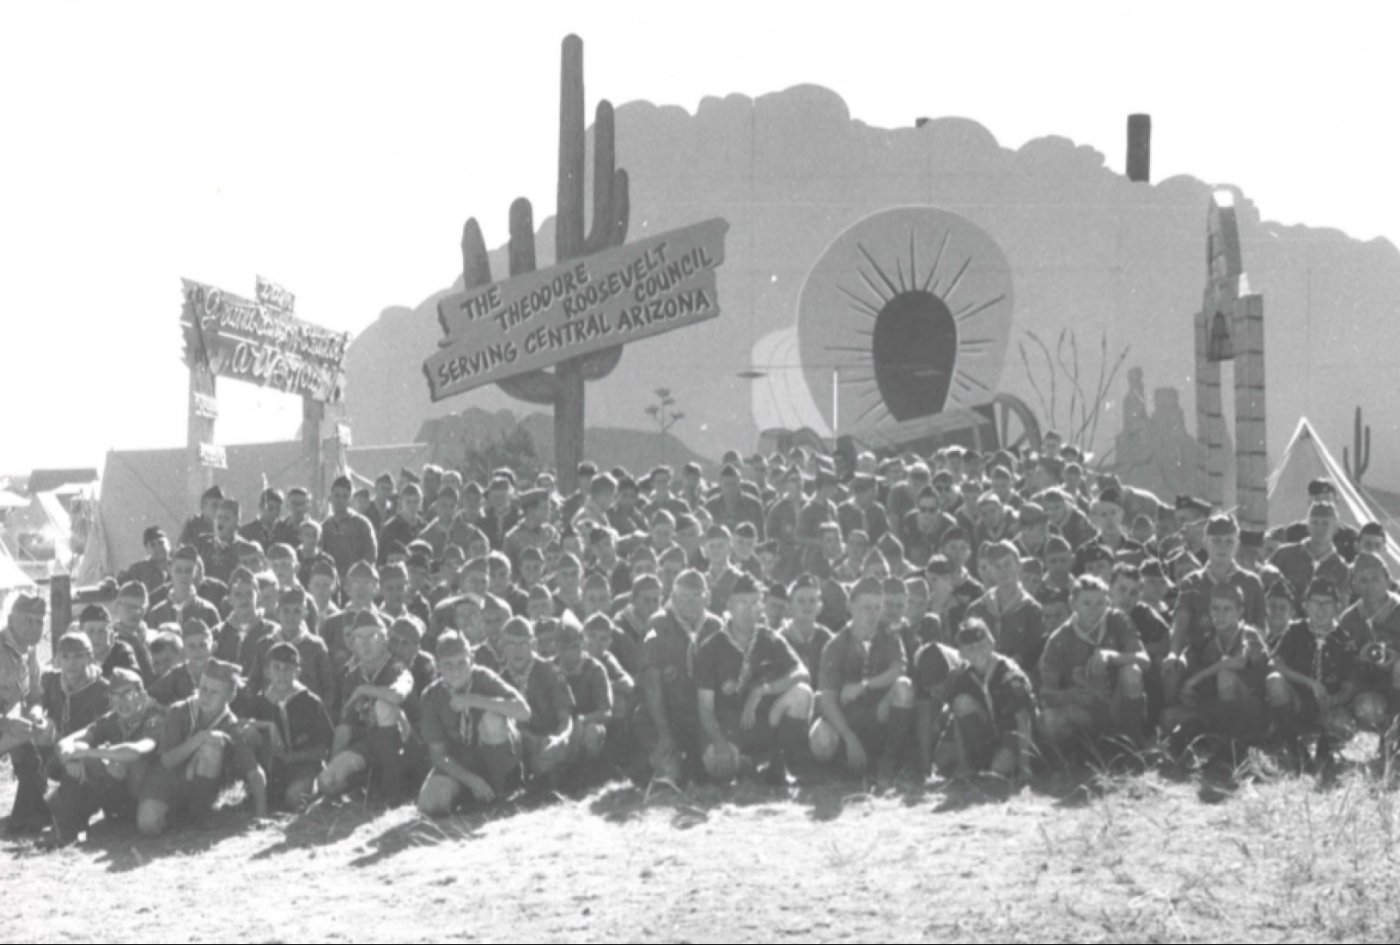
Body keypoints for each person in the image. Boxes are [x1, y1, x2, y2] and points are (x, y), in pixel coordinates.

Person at [694, 575, 812, 784]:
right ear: (729, 605)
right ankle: (748, 765)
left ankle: (777, 763)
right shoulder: (711, 647)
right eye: (742, 602)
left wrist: (762, 690)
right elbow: (705, 707)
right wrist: (719, 742)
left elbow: (802, 672)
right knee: (718, 766)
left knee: (802, 694)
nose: (749, 610)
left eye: (754, 603)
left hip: (763, 720)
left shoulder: (769, 638)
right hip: (727, 726)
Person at [137, 659, 267, 835]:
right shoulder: (179, 711)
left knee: (213, 745)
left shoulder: (231, 725)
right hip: (167, 782)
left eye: (214, 692)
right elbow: (167, 761)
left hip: (201, 792)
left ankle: (199, 815)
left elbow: (255, 773)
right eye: (203, 689)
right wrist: (200, 737)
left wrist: (262, 815)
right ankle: (177, 817)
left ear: (230, 697)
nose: (205, 696)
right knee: (148, 825)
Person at [809, 576, 914, 786]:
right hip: (844, 722)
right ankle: (832, 773)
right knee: (821, 738)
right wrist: (849, 738)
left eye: (877, 607)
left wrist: (864, 686)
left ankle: (888, 761)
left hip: (877, 717)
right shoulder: (836, 645)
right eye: (866, 607)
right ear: (851, 606)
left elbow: (899, 669)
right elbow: (827, 700)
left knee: (904, 688)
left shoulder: (889, 636)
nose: (873, 614)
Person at [48, 667, 168, 845]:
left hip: (151, 795)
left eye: (127, 694)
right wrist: (73, 758)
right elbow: (65, 743)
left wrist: (88, 752)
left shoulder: (156, 717)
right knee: (83, 765)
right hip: (122, 794)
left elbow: (137, 751)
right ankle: (67, 832)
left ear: (142, 695)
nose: (122, 702)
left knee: (118, 764)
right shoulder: (112, 719)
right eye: (115, 697)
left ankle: (72, 819)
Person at [415, 632, 531, 816]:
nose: (456, 671)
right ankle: (472, 794)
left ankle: (501, 790)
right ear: (437, 666)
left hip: (498, 756)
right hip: (462, 764)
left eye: (462, 662)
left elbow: (523, 711)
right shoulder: (431, 697)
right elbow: (438, 754)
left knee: (492, 720)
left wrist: (473, 700)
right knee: (430, 805)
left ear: (472, 659)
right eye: (448, 665)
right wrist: (471, 780)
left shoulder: (483, 678)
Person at [1037, 575, 1150, 751]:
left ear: (1108, 602)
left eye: (1100, 603)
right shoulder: (1059, 639)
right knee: (1050, 720)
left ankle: (1134, 743)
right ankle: (1080, 755)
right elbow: (1045, 693)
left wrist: (1112, 656)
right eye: (1086, 603)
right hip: (1085, 711)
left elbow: (1144, 660)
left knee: (1132, 672)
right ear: (1073, 604)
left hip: (1119, 704)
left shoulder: (1116, 620)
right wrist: (1071, 695)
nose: (1094, 610)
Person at [1161, 582, 1276, 749]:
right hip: (1222, 708)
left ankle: (1229, 747)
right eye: (1215, 608)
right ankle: (1205, 740)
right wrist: (1189, 691)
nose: (1220, 615)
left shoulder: (1248, 634)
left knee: (1226, 676)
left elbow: (1238, 661)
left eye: (1227, 609)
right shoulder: (1209, 640)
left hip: (1253, 711)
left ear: (1240, 612)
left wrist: (1197, 678)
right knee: (1168, 717)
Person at [318, 612, 412, 804]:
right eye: (358, 638)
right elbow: (345, 728)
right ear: (352, 645)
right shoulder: (352, 677)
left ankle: (392, 791)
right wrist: (335, 765)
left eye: (372, 636)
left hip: (404, 747)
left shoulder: (397, 668)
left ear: (385, 639)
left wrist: (363, 689)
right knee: (327, 782)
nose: (365, 643)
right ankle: (370, 785)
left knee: (384, 705)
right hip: (369, 747)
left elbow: (397, 695)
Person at [637, 569, 722, 783]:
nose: (691, 603)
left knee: (717, 768)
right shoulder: (656, 625)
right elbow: (651, 685)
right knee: (670, 776)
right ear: (673, 597)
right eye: (684, 597)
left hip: (703, 718)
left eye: (697, 596)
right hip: (667, 717)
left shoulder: (716, 626)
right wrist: (664, 734)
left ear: (707, 597)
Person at [940, 618, 1036, 783]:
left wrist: (1025, 768)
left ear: (992, 643)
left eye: (982, 646)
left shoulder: (1008, 672)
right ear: (961, 653)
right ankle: (972, 765)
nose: (977, 653)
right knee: (942, 760)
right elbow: (957, 720)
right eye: (970, 649)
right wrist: (962, 764)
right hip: (985, 733)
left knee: (999, 770)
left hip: (1013, 735)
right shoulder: (961, 676)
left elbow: (1023, 718)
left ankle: (1009, 764)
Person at [242, 642, 334, 810]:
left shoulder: (310, 701)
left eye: (288, 668)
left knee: (295, 799)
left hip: (305, 766)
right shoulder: (261, 701)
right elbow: (240, 724)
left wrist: (292, 757)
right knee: (249, 732)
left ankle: (316, 793)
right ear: (267, 672)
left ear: (297, 672)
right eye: (276, 668)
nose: (282, 674)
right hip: (274, 767)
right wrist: (269, 725)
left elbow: (322, 749)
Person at [962, 541, 1045, 683]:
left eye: (1008, 564)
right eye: (997, 566)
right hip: (979, 679)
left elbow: (1035, 656)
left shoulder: (1032, 610)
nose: (1003, 571)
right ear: (990, 571)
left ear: (1019, 567)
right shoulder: (977, 609)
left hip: (1017, 680)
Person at [321, 476, 377, 578]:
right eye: (337, 495)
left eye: (345, 496)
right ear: (330, 498)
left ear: (350, 499)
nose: (340, 500)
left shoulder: (362, 524)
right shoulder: (324, 527)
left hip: (356, 581)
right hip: (331, 582)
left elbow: (370, 556)